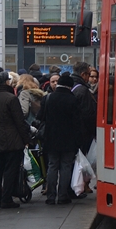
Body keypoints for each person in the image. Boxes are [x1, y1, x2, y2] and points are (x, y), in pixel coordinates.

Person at [0, 71, 32, 209]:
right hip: (12, 140)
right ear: (5, 83)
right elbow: (19, 121)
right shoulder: (11, 98)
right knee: (10, 170)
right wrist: (26, 139)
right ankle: (6, 199)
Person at [41, 73, 81, 204]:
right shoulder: (73, 100)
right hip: (68, 140)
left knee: (52, 166)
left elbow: (41, 117)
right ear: (69, 86)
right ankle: (63, 195)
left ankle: (50, 196)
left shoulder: (48, 98)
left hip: (50, 138)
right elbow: (77, 122)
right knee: (66, 167)